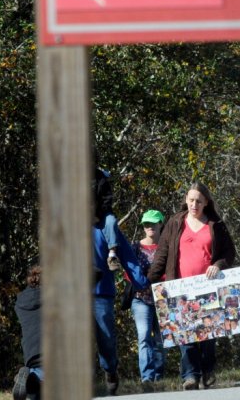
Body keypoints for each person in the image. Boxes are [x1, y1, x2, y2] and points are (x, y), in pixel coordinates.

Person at [148, 183, 237, 390]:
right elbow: (162, 254)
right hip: (180, 289)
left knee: (207, 335)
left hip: (208, 288)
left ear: (206, 202)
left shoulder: (216, 224)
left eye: (198, 200)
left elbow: (229, 253)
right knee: (185, 335)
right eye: (191, 200)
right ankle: (190, 376)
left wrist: (218, 264)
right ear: (186, 200)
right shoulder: (175, 223)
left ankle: (207, 372)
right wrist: (148, 280)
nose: (194, 204)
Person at [93, 168, 149, 397]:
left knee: (105, 340)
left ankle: (110, 370)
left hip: (101, 293)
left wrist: (142, 284)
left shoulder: (107, 229)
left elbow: (128, 257)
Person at [130, 210, 166, 383]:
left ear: (160, 224)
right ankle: (147, 377)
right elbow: (127, 272)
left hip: (163, 299)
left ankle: (158, 376)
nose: (149, 227)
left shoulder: (167, 246)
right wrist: (141, 283)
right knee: (144, 335)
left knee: (160, 339)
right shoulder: (135, 248)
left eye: (153, 223)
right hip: (141, 299)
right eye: (146, 224)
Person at [13, 265, 42, 400]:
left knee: (36, 391)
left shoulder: (20, 302)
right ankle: (33, 378)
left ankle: (29, 377)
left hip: (30, 355)